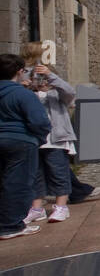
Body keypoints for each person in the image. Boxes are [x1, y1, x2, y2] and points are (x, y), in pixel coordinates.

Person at [19, 45, 75, 224]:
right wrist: (23, 86)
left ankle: (61, 206)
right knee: (36, 174)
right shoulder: (29, 94)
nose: (42, 81)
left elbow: (69, 92)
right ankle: (36, 208)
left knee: (58, 172)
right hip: (34, 139)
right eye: (39, 77)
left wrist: (51, 75)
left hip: (55, 139)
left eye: (45, 77)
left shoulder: (57, 95)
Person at [0, 53, 51, 238]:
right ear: (19, 71)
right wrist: (38, 139)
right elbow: (40, 122)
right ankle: (10, 225)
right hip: (20, 141)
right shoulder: (22, 94)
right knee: (18, 183)